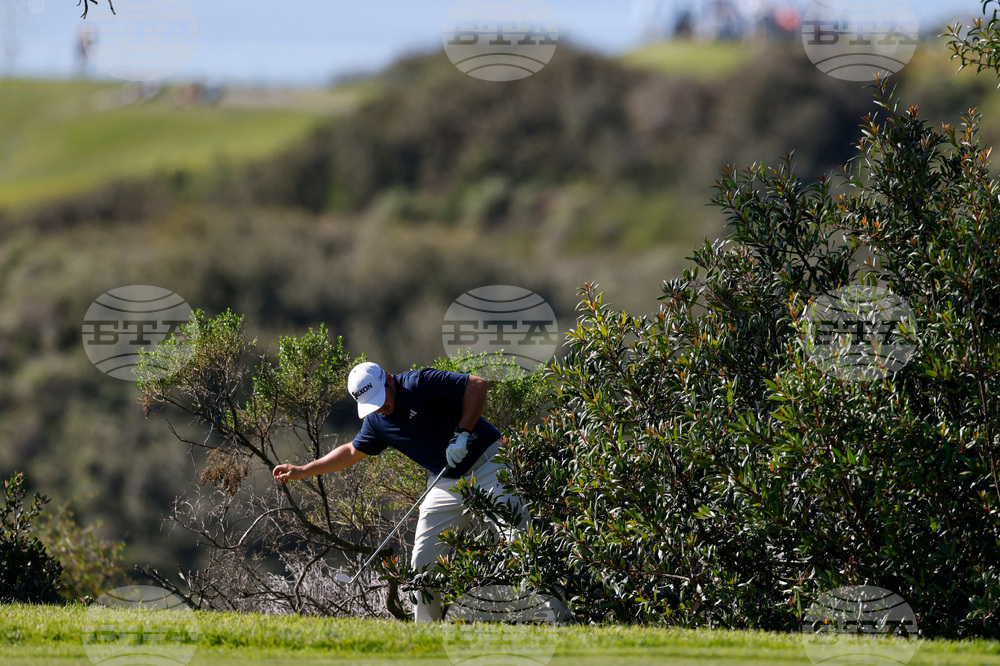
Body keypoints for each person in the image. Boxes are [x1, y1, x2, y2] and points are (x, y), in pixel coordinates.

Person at [272, 361, 521, 622]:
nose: (381, 407)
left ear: (389, 379)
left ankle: (558, 619)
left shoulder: (419, 382)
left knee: (521, 540)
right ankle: (426, 637)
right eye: (373, 404)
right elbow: (351, 451)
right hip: (446, 481)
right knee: (423, 564)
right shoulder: (377, 420)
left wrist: (462, 434)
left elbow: (477, 384)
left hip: (490, 463)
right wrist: (303, 470)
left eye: (381, 399)